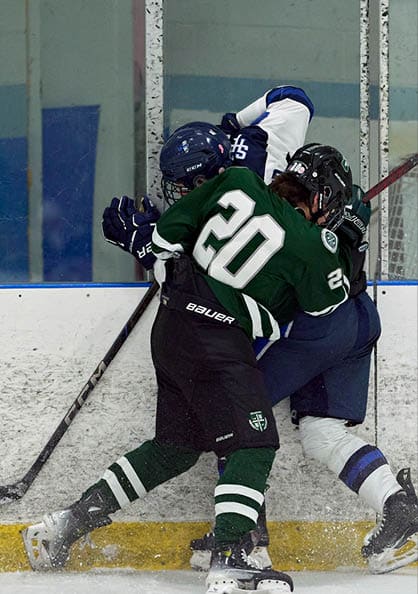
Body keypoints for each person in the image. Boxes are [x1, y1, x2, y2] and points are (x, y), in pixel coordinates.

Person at [22, 124, 357, 594]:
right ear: (323, 198)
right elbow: (325, 304)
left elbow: (164, 238)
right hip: (217, 340)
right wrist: (345, 245)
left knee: (175, 447)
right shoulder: (309, 245)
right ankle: (232, 555)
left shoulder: (237, 180)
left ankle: (65, 525)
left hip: (172, 327)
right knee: (255, 444)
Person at [100, 86, 418, 576]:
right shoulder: (269, 150)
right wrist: (236, 123)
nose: (184, 194)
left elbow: (200, 270)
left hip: (311, 327)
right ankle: (399, 510)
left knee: (235, 414)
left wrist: (146, 244)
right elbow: (292, 100)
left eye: (189, 185)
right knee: (321, 432)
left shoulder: (239, 181)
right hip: (356, 319)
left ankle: (247, 539)